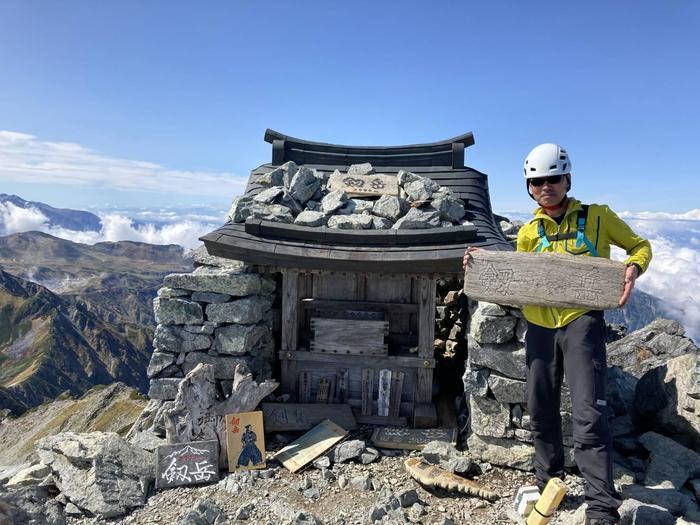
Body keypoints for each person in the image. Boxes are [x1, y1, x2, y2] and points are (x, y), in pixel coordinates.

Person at [464, 143, 652, 525]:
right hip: (539, 326)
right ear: (529, 187)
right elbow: (521, 278)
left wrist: (634, 266)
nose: (545, 187)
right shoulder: (530, 231)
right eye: (536, 181)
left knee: (588, 412)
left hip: (582, 322)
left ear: (567, 179)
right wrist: (479, 265)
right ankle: (549, 482)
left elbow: (640, 246)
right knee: (541, 408)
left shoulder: (597, 217)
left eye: (552, 179)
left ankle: (601, 506)